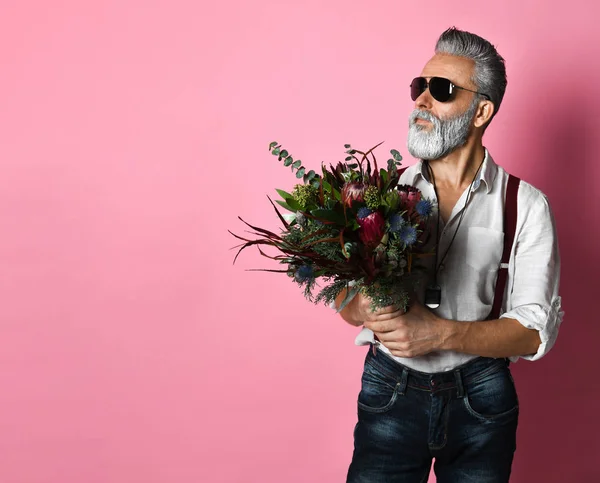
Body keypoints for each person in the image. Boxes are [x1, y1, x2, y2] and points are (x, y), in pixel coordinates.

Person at [335, 27, 563, 483]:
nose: (421, 102)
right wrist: (361, 306)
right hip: (389, 388)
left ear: (481, 111)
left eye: (441, 90)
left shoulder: (526, 205)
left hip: (480, 397)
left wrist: (438, 334)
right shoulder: (383, 193)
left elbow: (534, 332)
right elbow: (343, 299)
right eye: (419, 87)